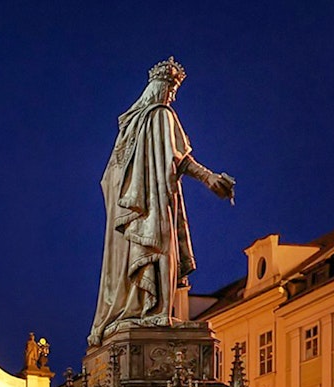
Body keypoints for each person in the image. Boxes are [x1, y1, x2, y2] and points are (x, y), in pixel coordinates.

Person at [89, 57, 235, 344]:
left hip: (132, 213)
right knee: (161, 247)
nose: (171, 95)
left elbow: (109, 179)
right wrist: (209, 178)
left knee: (148, 253)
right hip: (152, 203)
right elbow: (180, 160)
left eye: (173, 91)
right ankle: (156, 311)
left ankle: (146, 308)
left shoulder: (129, 128)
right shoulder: (160, 116)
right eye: (169, 88)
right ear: (157, 87)